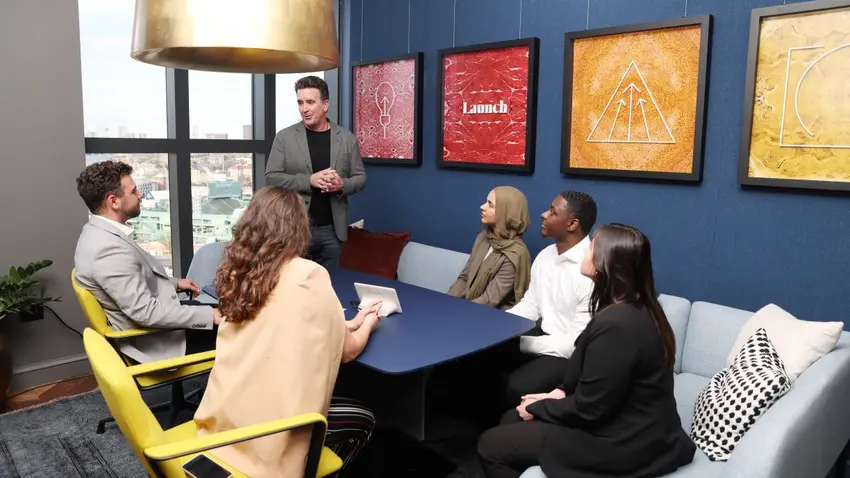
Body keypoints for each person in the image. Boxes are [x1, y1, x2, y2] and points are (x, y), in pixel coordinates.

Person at [477, 223, 696, 478]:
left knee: (488, 446)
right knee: (511, 418)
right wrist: (556, 394)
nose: (584, 252)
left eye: (591, 248)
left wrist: (539, 407)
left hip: (624, 442)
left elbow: (590, 409)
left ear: (605, 263)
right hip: (631, 423)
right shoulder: (637, 308)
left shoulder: (618, 327)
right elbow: (597, 382)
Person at [194, 186, 379, 478]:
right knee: (365, 419)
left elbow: (275, 322)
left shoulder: (240, 271)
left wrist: (347, 322)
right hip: (271, 434)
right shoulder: (307, 274)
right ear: (298, 229)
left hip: (225, 420)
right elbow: (348, 351)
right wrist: (369, 322)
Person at [73, 161, 221, 363]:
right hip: (160, 342)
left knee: (229, 310)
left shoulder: (97, 233)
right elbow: (146, 313)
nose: (140, 195)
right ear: (114, 201)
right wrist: (210, 316)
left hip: (160, 320)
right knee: (244, 331)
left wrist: (175, 283)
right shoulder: (108, 250)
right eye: (134, 191)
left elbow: (134, 278)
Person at [501, 191, 597, 406]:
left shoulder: (590, 269)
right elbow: (531, 304)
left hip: (570, 356)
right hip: (542, 339)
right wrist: (500, 325)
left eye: (552, 212)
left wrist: (523, 343)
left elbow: (575, 344)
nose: (543, 215)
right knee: (480, 356)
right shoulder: (546, 255)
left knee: (518, 386)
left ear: (572, 224)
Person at [265, 75, 367, 269]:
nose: (304, 109)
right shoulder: (284, 138)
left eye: (310, 102)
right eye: (300, 102)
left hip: (332, 231)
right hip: (294, 229)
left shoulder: (346, 139)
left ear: (325, 104)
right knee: (295, 283)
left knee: (330, 283)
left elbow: (361, 178)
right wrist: (309, 180)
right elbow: (271, 177)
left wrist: (342, 184)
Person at [448, 186, 532, 309]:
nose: (482, 207)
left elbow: (489, 300)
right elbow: (465, 278)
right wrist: (447, 302)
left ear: (505, 213)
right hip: (468, 307)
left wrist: (458, 311)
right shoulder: (483, 238)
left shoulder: (515, 254)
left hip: (491, 315)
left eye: (490, 205)